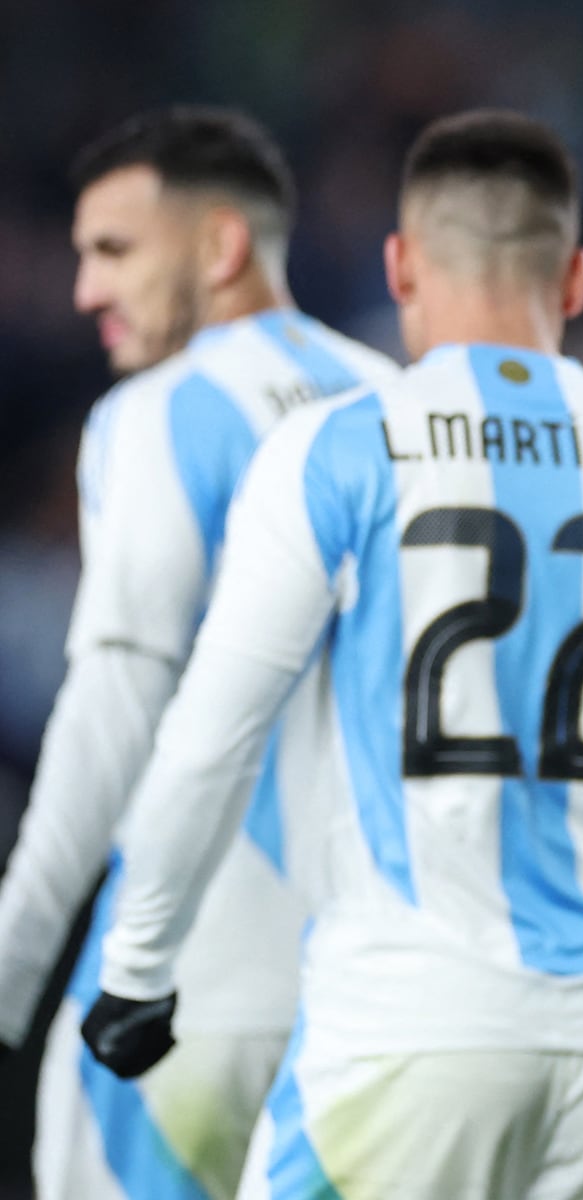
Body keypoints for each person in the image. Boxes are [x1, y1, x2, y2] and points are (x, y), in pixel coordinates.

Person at [80, 109, 583, 1199]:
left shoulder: (333, 452)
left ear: (401, 267)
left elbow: (213, 734)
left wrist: (137, 968)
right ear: (573, 278)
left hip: (404, 1031)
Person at [0, 107, 397, 1199]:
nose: (87, 290)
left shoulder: (157, 409)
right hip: (382, 999)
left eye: (115, 250)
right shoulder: (402, 398)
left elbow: (116, 705)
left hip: (187, 985)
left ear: (220, 245)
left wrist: (14, 962)